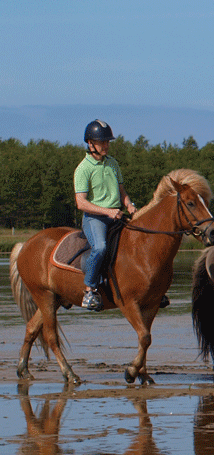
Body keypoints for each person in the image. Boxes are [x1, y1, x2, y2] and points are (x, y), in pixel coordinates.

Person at [74, 119, 136, 311]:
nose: (107, 145)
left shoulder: (113, 164)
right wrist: (108, 211)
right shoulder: (83, 169)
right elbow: (81, 203)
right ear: (90, 143)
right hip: (95, 219)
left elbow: (121, 191)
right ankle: (89, 291)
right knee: (100, 248)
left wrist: (130, 205)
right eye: (103, 142)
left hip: (116, 215)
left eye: (108, 142)